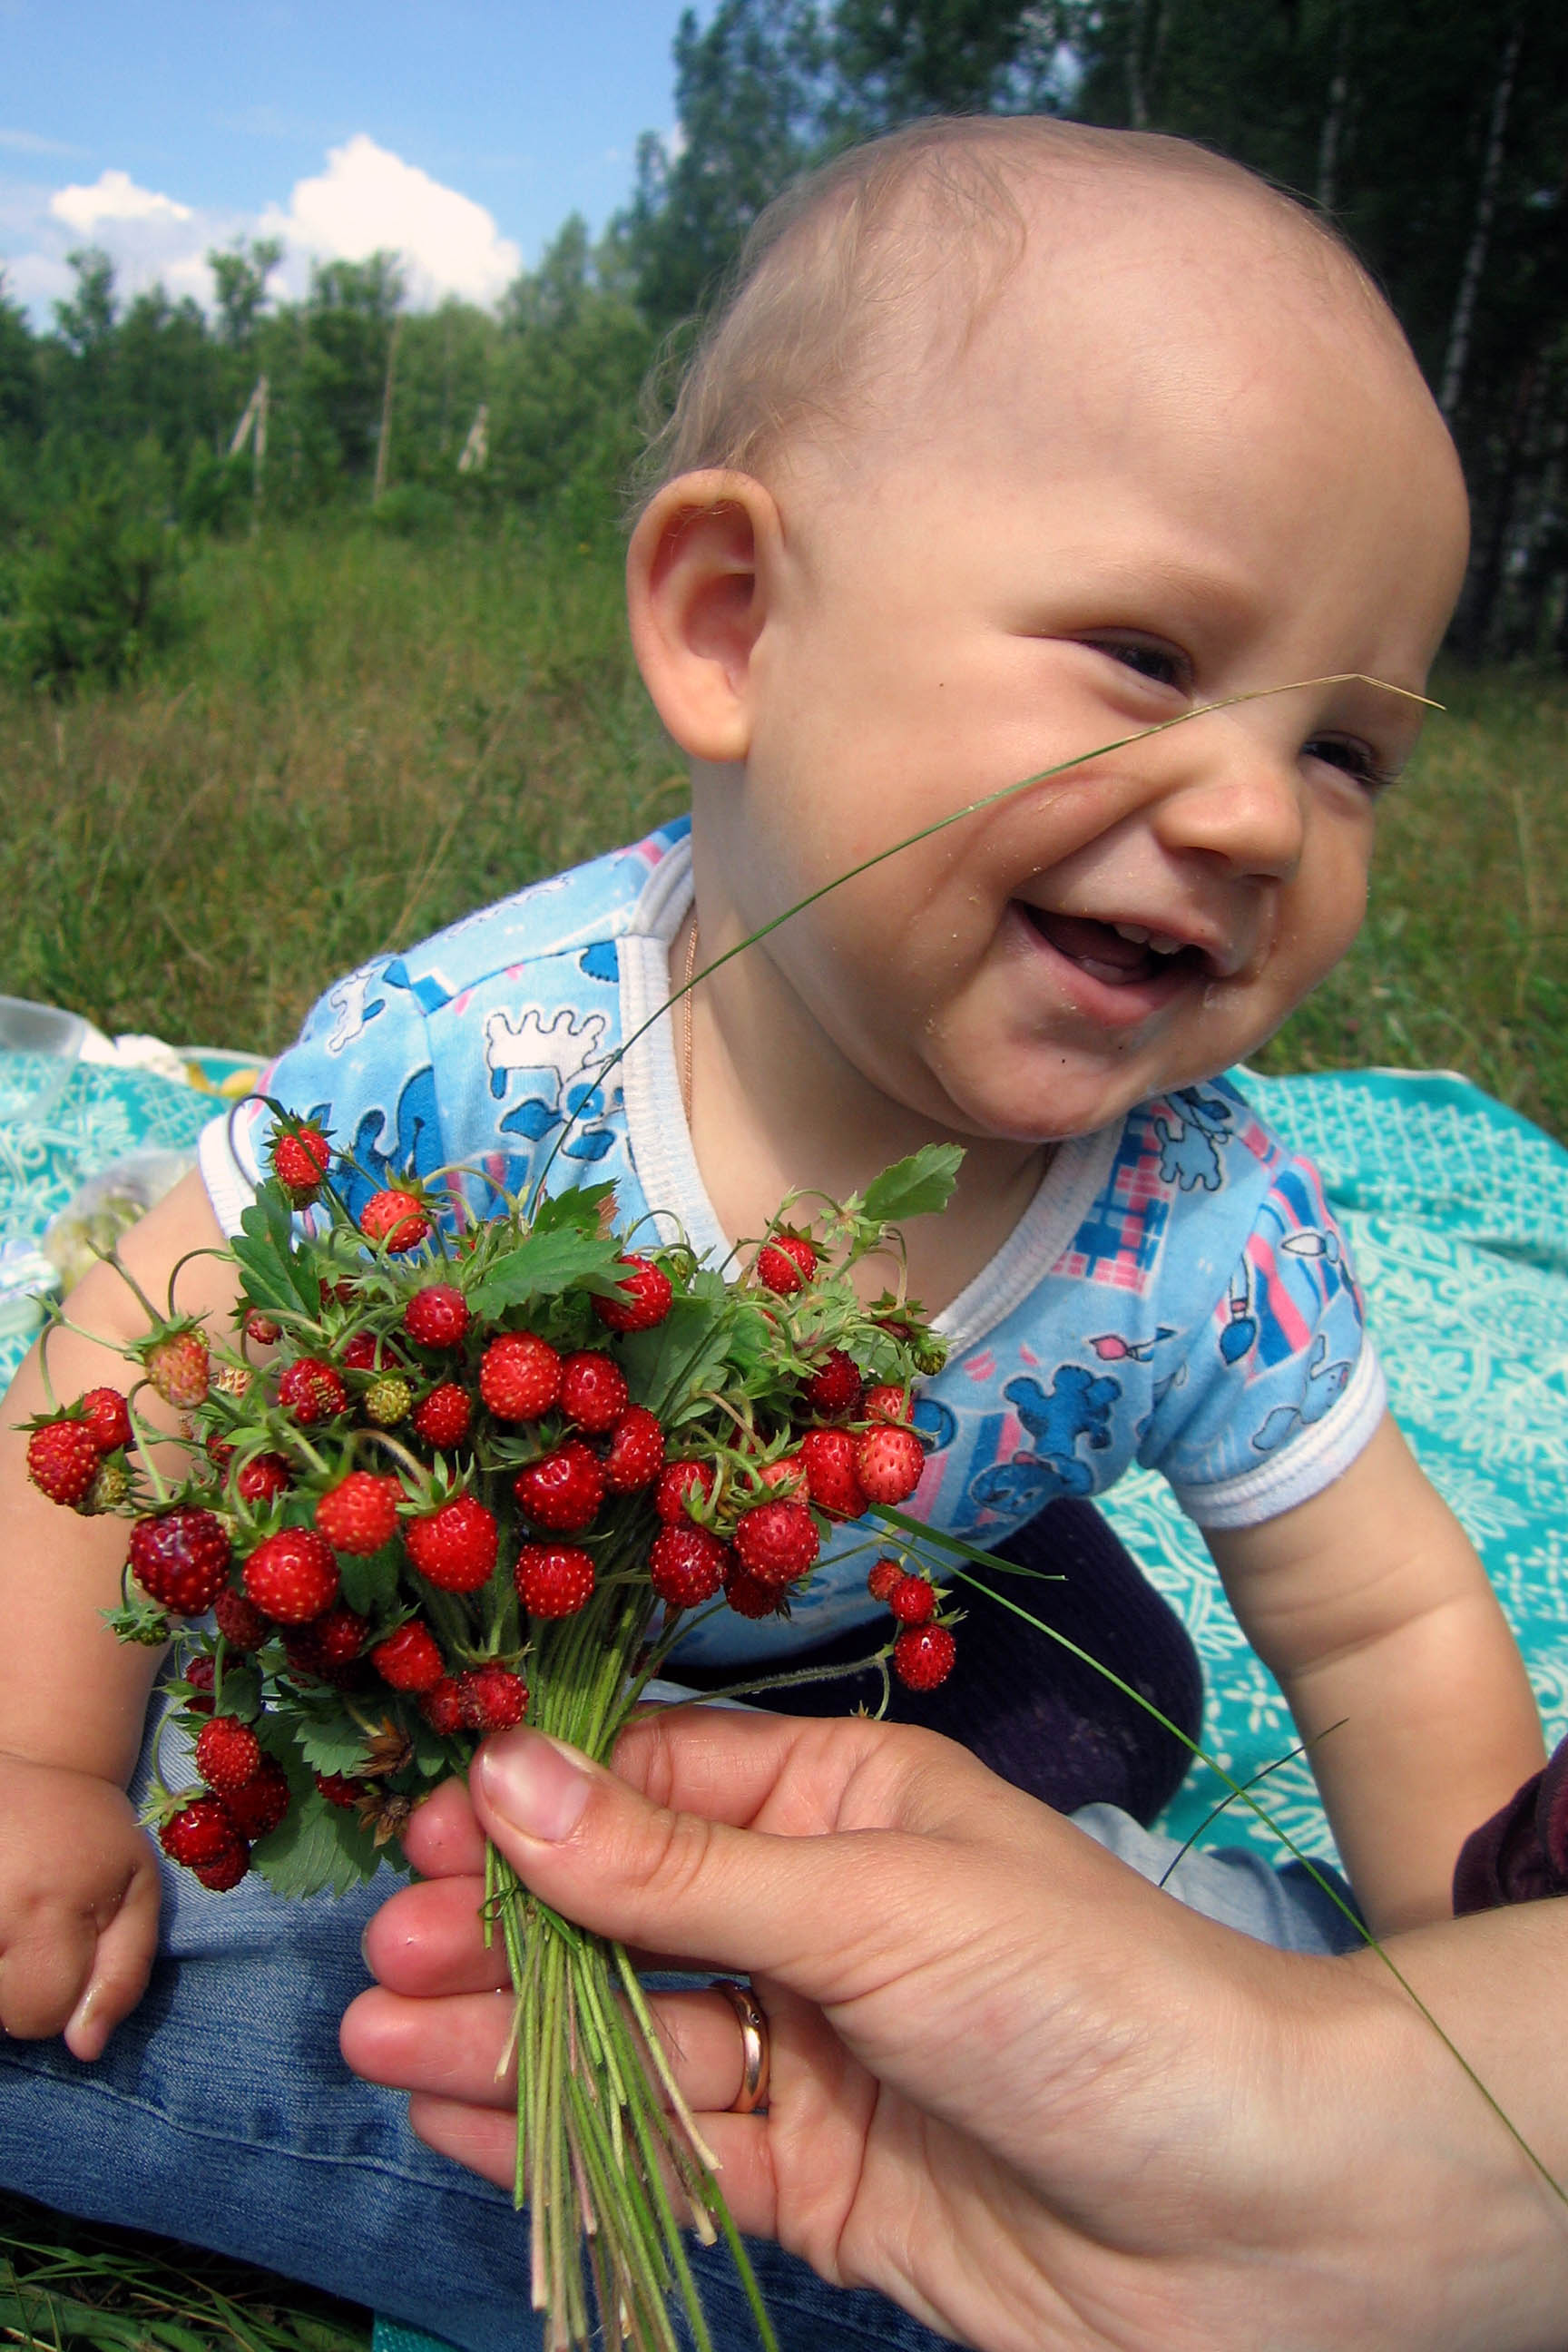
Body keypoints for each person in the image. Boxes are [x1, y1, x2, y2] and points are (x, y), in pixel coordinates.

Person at [0, 112, 1546, 2343]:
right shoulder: (487, 1060)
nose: (1247, 812)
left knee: (1121, 1689)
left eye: (1347, 757)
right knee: (237, 1742)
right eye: (1142, 653)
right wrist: (40, 1765)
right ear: (732, 626)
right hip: (472, 1602)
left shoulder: (1203, 1217)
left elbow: (1392, 1626)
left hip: (860, 1621)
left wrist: (1449, 2047)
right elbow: (159, 1348)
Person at [343, 1709, 1568, 2352]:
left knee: (310, 1990)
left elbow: (1387, 1625)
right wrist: (1390, 2075)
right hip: (1455, 2014)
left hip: (1402, 2015)